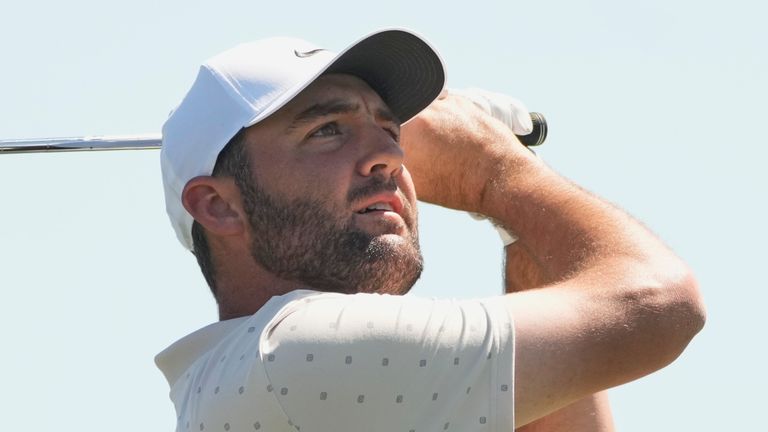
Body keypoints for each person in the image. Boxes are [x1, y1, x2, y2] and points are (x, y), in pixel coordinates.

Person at [155, 29, 705, 431]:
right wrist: (494, 172)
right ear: (218, 206)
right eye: (327, 129)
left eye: (389, 129)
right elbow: (659, 303)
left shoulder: (252, 372)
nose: (388, 155)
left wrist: (511, 215)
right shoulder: (295, 350)